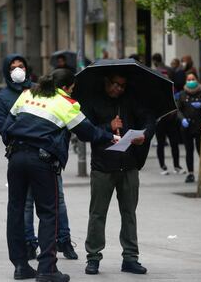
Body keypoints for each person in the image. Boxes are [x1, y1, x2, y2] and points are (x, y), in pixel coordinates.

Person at [1, 68, 117, 282]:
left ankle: (20, 266)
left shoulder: (27, 94)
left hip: (16, 157)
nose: (72, 92)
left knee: (15, 211)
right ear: (66, 87)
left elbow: (7, 127)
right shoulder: (67, 104)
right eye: (72, 89)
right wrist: (110, 137)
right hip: (42, 162)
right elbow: (87, 132)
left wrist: (17, 147)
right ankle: (47, 270)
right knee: (48, 214)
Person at [0, 54, 78, 261]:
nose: (17, 70)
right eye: (12, 67)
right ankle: (30, 243)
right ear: (7, 71)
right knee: (26, 204)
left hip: (48, 155)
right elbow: (4, 128)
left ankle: (63, 239)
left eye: (20, 66)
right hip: (22, 155)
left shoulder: (39, 89)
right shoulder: (2, 98)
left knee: (57, 201)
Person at [83, 73, 156, 276]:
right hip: (102, 166)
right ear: (106, 82)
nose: (119, 89)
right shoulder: (93, 101)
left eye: (123, 85)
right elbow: (85, 130)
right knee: (98, 214)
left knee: (129, 213)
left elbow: (150, 119)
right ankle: (93, 257)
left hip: (129, 165)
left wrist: (145, 134)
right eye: (116, 84)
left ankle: (131, 258)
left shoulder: (132, 99)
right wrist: (109, 127)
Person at [152, 53, 185, 175]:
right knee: (164, 142)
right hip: (163, 118)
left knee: (171, 142)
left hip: (168, 117)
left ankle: (172, 166)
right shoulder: (155, 90)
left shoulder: (171, 90)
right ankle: (166, 166)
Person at [177, 72, 201, 183]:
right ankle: (190, 173)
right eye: (189, 79)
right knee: (189, 150)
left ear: (197, 79)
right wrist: (182, 119)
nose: (191, 81)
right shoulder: (182, 94)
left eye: (193, 79)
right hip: (187, 127)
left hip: (200, 126)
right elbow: (178, 110)